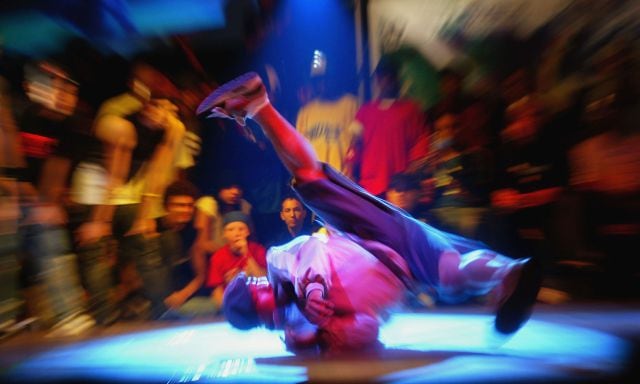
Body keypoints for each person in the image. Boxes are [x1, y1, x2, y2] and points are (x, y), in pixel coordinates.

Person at [197, 72, 542, 353]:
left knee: (310, 179)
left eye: (262, 312)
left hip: (369, 236)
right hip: (387, 253)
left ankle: (258, 104)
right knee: (448, 271)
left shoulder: (278, 266)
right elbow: (363, 330)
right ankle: (507, 274)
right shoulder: (294, 324)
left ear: (258, 291)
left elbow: (311, 255)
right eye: (264, 320)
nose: (270, 318)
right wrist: (314, 333)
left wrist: (312, 292)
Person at [206, 211, 267, 311]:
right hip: (231, 304)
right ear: (224, 234)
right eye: (231, 230)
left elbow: (264, 280)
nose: (237, 233)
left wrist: (246, 253)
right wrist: (227, 311)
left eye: (241, 229)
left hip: (257, 301)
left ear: (248, 232)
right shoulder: (218, 256)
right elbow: (217, 290)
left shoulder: (258, 250)